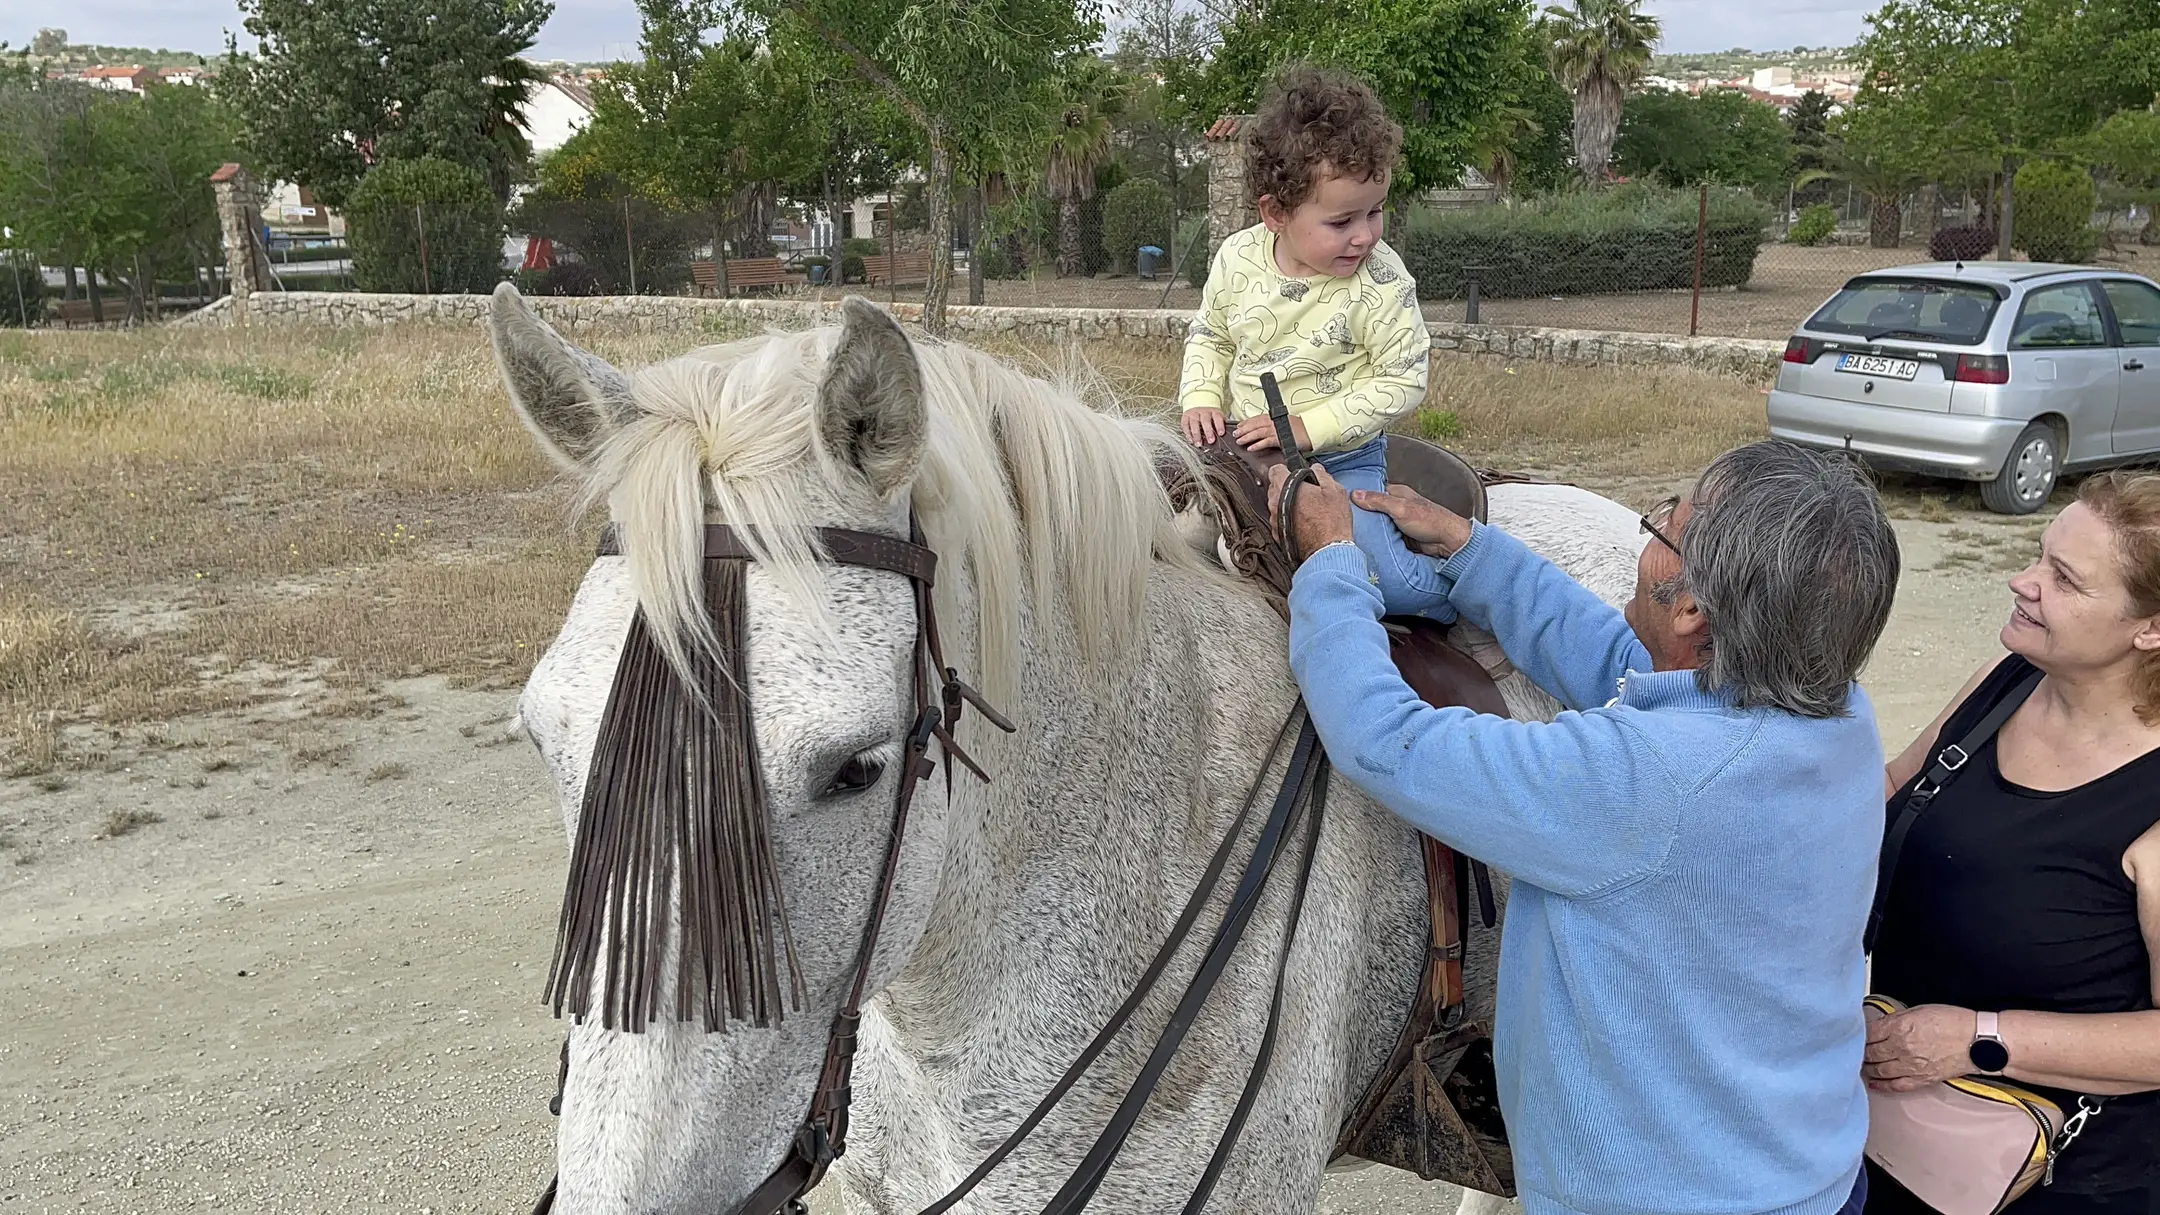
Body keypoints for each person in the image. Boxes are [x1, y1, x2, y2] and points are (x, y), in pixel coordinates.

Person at [1269, 440, 1901, 1215]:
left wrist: (1331, 562)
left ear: (1695, 609)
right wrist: (1476, 554)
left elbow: (1387, 739)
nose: (1649, 535)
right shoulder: (1836, 712)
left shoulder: (1645, 780)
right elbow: (1631, 664)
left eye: (1663, 526)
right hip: (1806, 1177)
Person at [1865, 470, 2160, 1214]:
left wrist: (1979, 1038)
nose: (2021, 580)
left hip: (2058, 1175)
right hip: (1893, 1124)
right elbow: (1887, 793)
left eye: (2063, 578)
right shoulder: (2004, 683)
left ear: (2150, 628)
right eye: (2038, 554)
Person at [1178, 63, 1446, 618]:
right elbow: (1213, 335)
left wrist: (1310, 425)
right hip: (1238, 456)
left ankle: (1452, 600)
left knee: (1385, 579)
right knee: (1173, 549)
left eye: (1375, 212)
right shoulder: (1237, 260)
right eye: (1342, 221)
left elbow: (1402, 378)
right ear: (1276, 213)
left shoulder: (1381, 280)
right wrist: (1201, 395)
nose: (1366, 235)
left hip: (1341, 459)